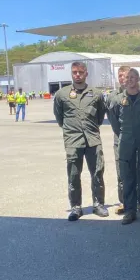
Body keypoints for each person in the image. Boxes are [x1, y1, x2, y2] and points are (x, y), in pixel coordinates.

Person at [53, 62, 108, 221]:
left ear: (86, 74)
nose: (77, 75)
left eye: (80, 72)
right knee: (73, 175)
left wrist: (90, 129)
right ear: (71, 74)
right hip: (73, 141)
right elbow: (59, 117)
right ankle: (76, 207)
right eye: (75, 72)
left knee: (97, 172)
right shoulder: (61, 94)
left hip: (92, 140)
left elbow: (99, 117)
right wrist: (71, 131)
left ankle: (98, 204)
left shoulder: (96, 94)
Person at [111, 68, 140, 225]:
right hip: (126, 142)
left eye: (133, 77)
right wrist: (127, 134)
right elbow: (115, 122)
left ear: (138, 79)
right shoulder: (117, 100)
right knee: (128, 176)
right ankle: (130, 210)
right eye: (127, 77)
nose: (130, 80)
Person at [106, 66, 131, 214]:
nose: (122, 78)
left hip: (136, 139)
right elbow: (112, 118)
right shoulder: (112, 97)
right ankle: (124, 202)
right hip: (120, 139)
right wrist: (121, 134)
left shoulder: (138, 94)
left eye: (125, 75)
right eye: (120, 75)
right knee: (122, 173)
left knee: (138, 170)